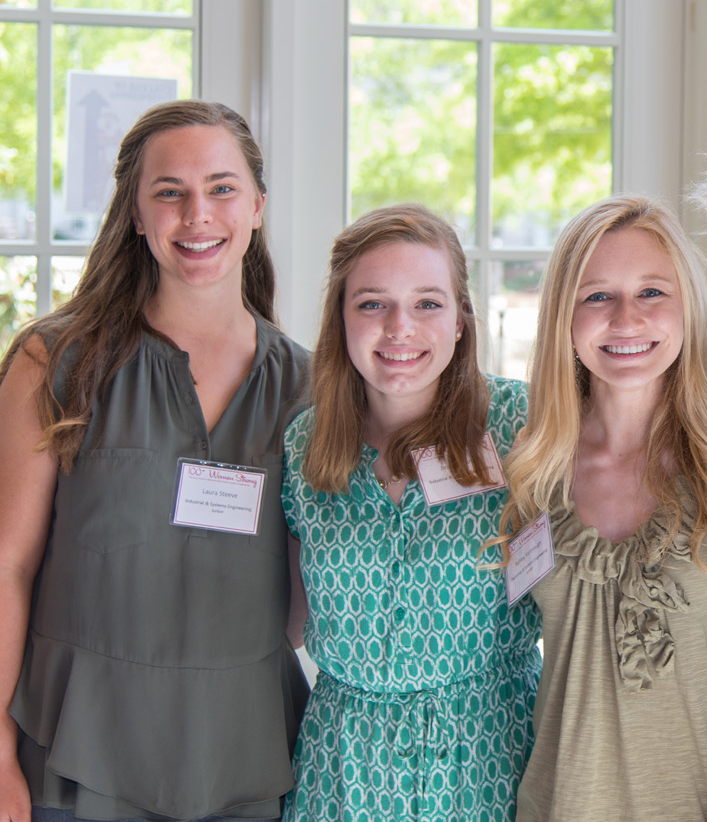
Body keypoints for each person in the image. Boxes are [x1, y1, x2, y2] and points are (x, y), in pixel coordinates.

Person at [0, 101, 308, 821]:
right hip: (74, 761)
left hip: (248, 758)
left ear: (257, 206)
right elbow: (6, 566)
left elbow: (307, 593)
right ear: (136, 215)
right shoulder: (55, 363)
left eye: (222, 188)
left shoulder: (311, 387)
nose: (197, 214)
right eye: (169, 192)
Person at [279, 204, 540, 822]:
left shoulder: (523, 428)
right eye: (372, 304)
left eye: (427, 303)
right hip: (343, 770)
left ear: (459, 322)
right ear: (341, 320)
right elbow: (288, 620)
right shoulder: (304, 445)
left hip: (488, 761)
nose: (400, 328)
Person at [499, 195, 707, 821]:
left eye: (651, 292)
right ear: (564, 314)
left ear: (687, 306)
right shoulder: (532, 465)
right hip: (559, 803)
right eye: (597, 297)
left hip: (703, 805)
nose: (626, 320)